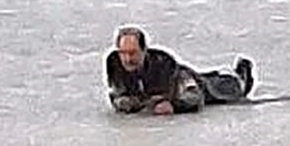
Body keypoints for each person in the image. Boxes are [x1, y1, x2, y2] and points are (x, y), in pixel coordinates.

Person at [105, 26, 254, 115]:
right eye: (123, 53)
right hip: (150, 96)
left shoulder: (164, 63)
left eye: (133, 53)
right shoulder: (114, 63)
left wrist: (174, 105)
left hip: (186, 81)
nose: (127, 59)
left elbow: (195, 98)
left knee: (218, 89)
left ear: (144, 51)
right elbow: (117, 95)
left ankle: (240, 75)